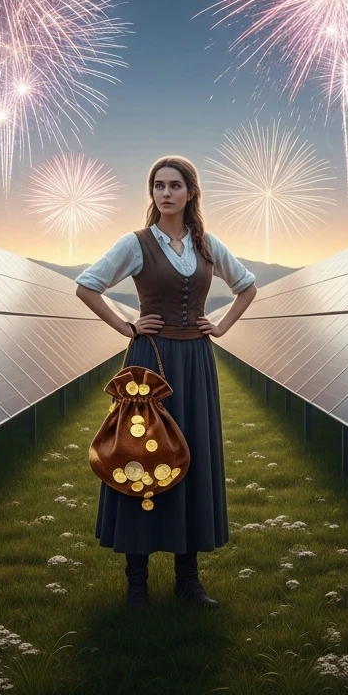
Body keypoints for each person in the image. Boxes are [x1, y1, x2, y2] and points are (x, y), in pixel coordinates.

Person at [75, 155, 257, 610]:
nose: (166, 193)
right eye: (158, 185)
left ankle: (188, 581)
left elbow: (248, 286)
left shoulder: (207, 245)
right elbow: (87, 285)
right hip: (149, 364)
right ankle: (136, 582)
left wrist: (220, 325)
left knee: (189, 457)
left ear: (191, 192)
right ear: (152, 193)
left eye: (175, 185)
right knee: (138, 453)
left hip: (195, 362)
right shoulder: (135, 243)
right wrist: (126, 325)